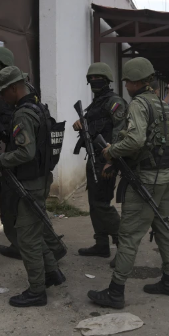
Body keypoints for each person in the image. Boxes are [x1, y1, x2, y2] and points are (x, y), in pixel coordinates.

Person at [87, 57, 169, 309]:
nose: (126, 85)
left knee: (129, 236)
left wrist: (111, 152)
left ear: (135, 81)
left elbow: (135, 141)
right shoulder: (164, 107)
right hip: (165, 176)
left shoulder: (139, 104)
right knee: (166, 228)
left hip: (146, 179)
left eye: (127, 81)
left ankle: (115, 292)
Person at [0, 66, 66, 307]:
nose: (1, 97)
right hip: (40, 180)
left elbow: (25, 152)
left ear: (13, 88)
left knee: (27, 239)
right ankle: (52, 272)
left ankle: (37, 291)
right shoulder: (38, 107)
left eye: (3, 92)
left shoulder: (22, 114)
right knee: (34, 231)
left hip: (29, 184)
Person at [73, 63, 127, 261]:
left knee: (102, 204)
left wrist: (111, 161)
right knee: (94, 204)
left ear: (107, 80)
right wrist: (80, 124)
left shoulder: (115, 102)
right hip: (94, 159)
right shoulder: (96, 103)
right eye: (91, 77)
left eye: (99, 77)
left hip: (106, 161)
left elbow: (121, 133)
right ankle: (101, 244)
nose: (94, 81)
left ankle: (124, 246)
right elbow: (94, 127)